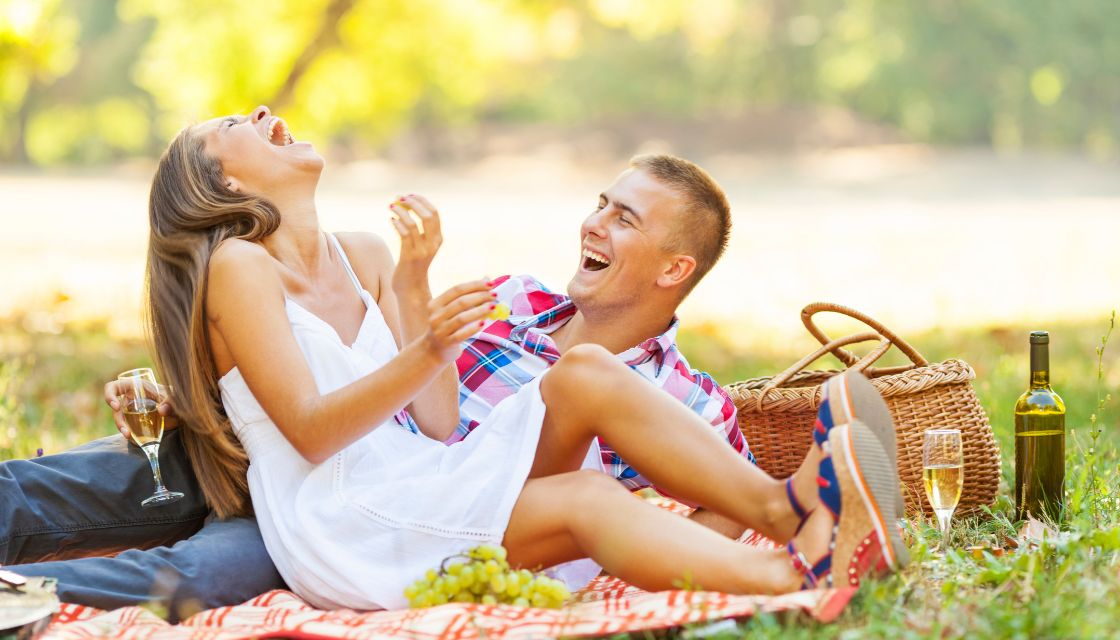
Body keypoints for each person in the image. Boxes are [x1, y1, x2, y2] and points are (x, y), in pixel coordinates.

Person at [1, 106, 906, 615]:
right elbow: (315, 436)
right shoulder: (237, 267)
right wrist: (430, 338)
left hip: (420, 473)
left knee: (587, 383)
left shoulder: (363, 252)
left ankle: (795, 536)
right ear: (226, 185)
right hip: (342, 513)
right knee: (588, 490)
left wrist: (413, 284)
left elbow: (435, 422)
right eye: (237, 123)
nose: (269, 113)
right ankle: (800, 558)